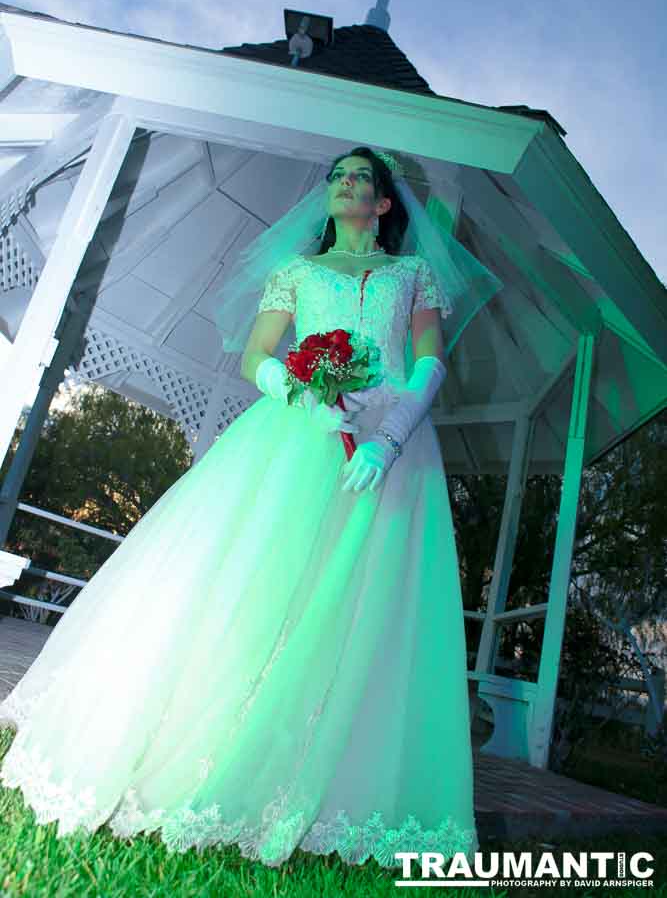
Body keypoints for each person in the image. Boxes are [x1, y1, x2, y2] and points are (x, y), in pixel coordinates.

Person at [0, 147, 496, 870]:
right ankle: (215, 745)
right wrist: (306, 398)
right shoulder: (294, 273)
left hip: (390, 443)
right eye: (337, 177)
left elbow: (428, 358)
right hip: (296, 435)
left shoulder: (411, 274)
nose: (344, 185)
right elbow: (257, 355)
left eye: (360, 178)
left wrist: (388, 437)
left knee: (363, 599)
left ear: (384, 205)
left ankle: (322, 775)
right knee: (256, 580)